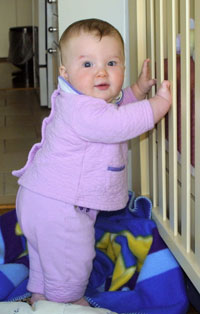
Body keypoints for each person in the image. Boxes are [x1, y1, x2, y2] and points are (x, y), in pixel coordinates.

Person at [12, 18, 171, 306]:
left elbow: (115, 107)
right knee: (73, 261)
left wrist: (137, 90)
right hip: (61, 208)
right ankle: (65, 304)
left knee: (46, 258)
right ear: (65, 72)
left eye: (112, 63)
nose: (101, 71)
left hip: (39, 200)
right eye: (87, 65)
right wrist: (158, 105)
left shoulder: (79, 100)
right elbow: (118, 122)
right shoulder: (83, 112)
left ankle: (39, 295)